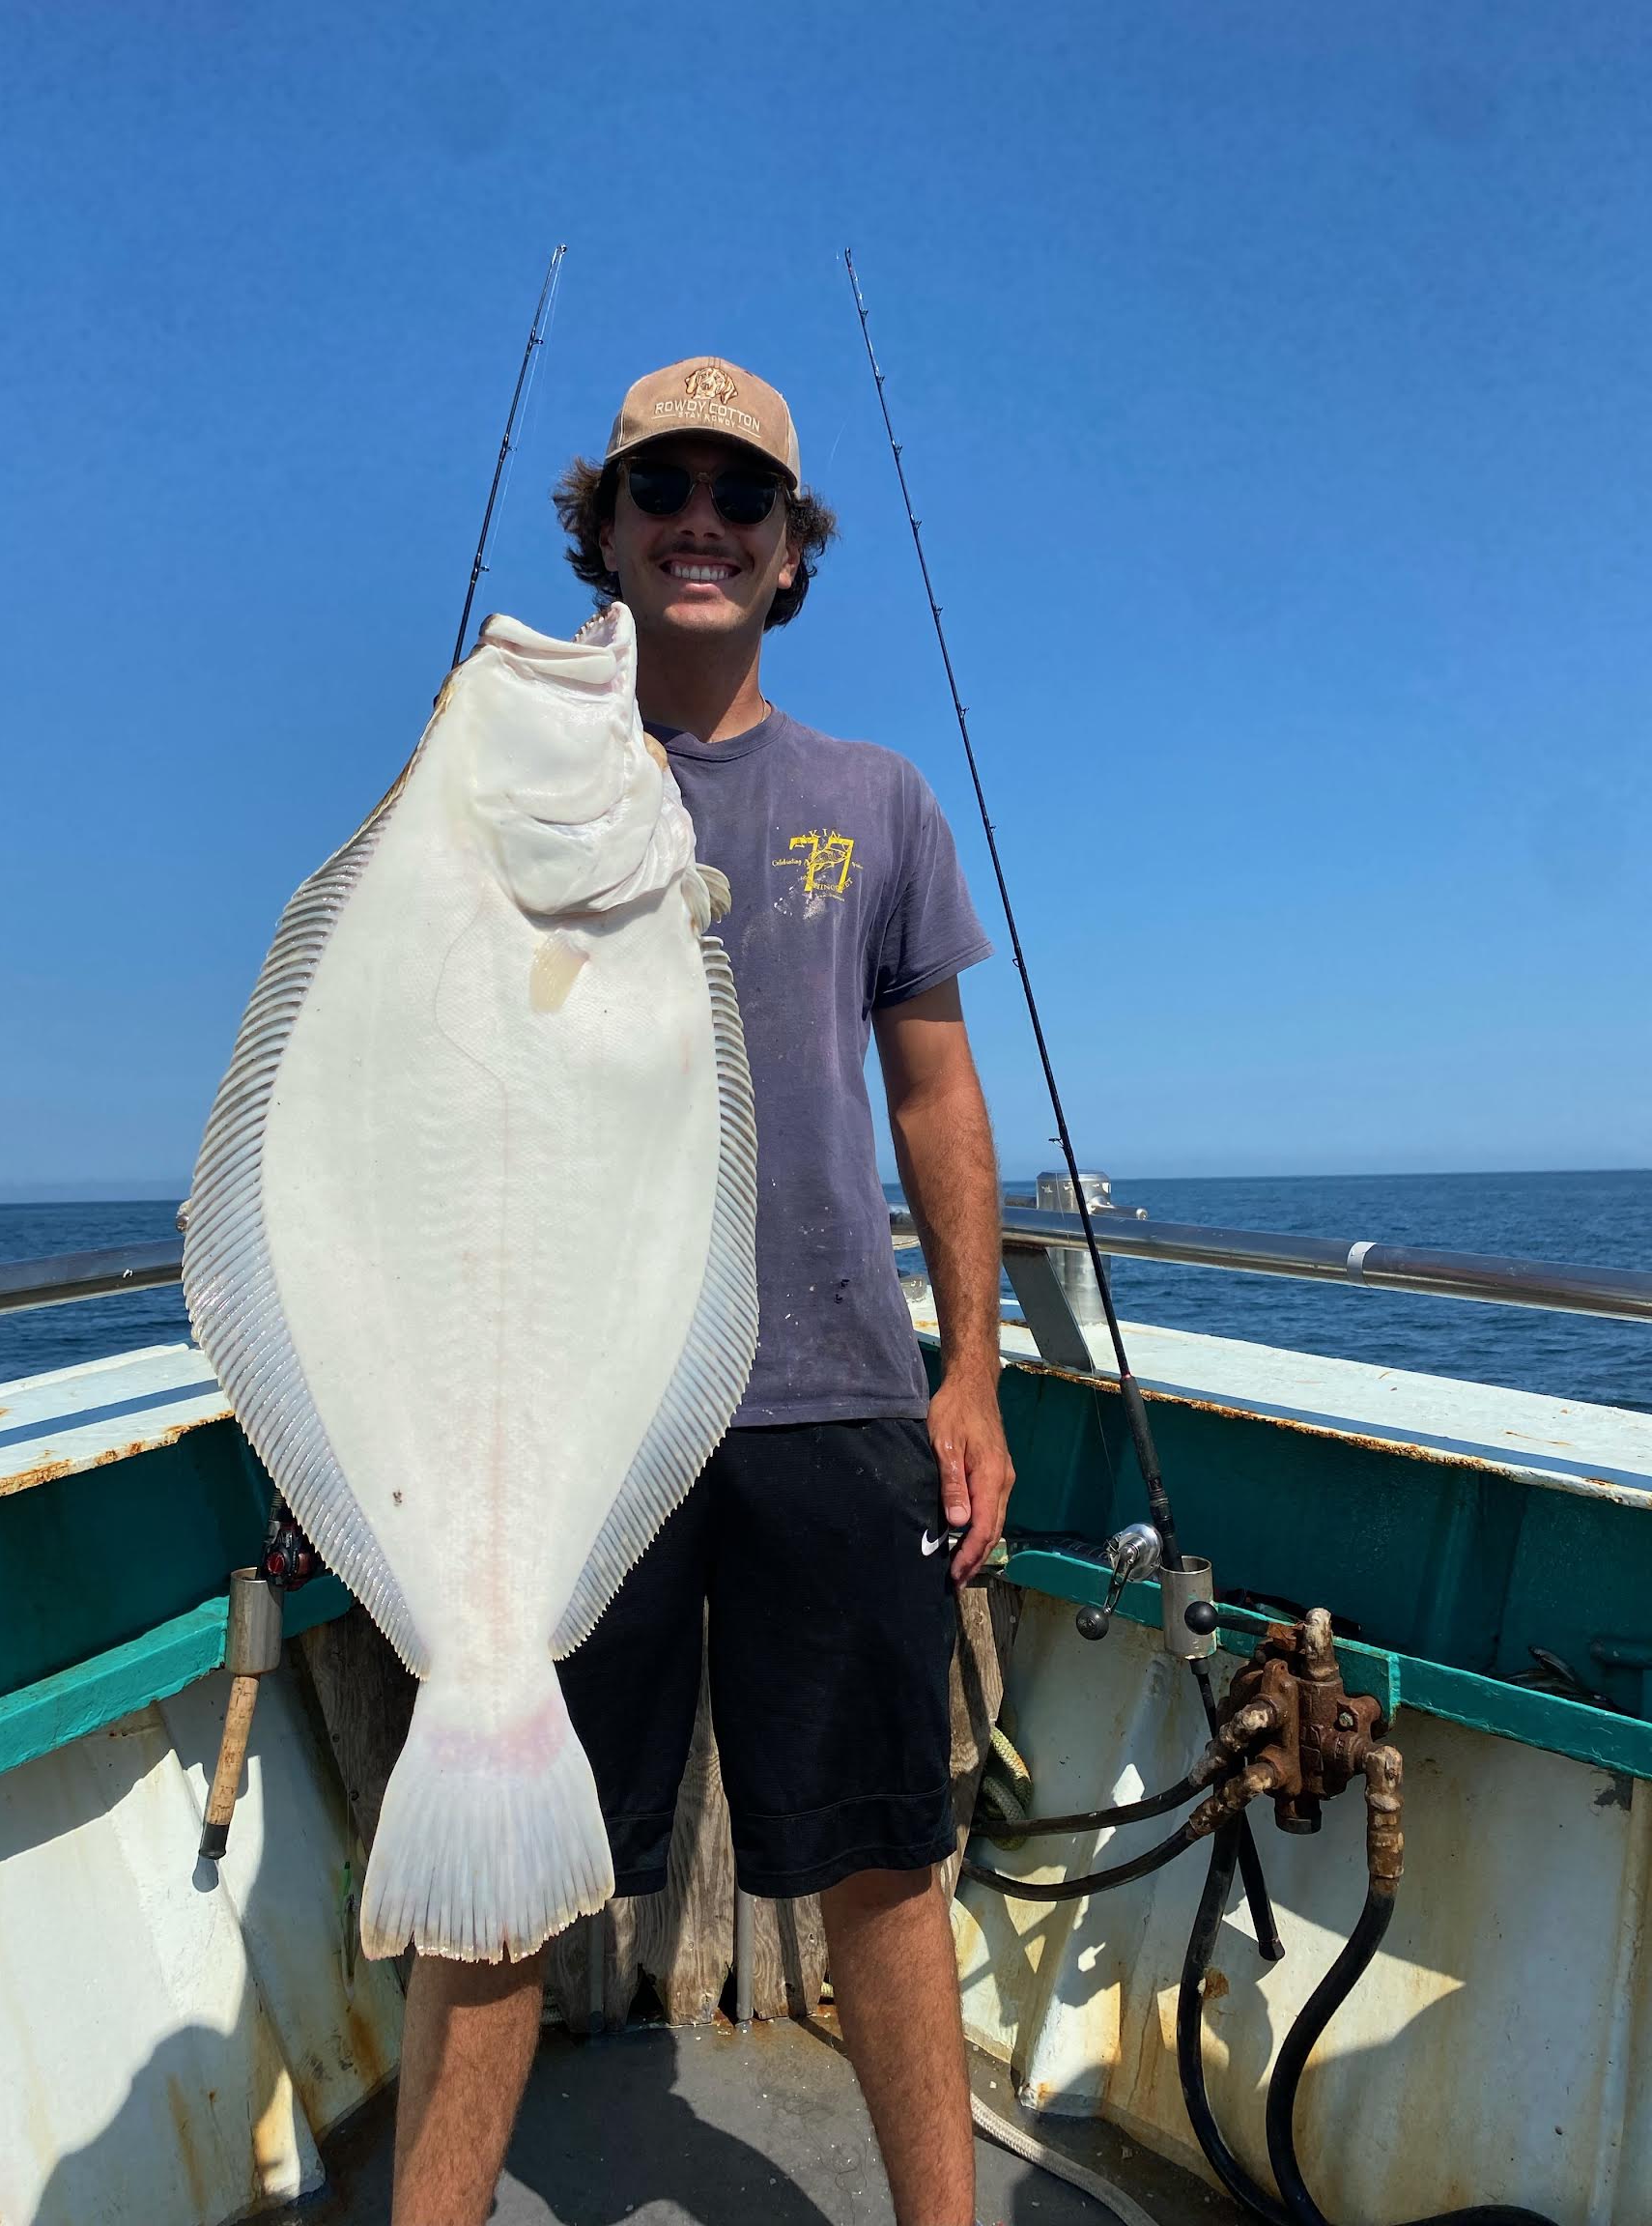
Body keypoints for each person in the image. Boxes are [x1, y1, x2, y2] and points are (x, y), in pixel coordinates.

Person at [392, 357, 1014, 2226]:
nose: (701, 523)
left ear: (790, 551)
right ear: (603, 528)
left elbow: (934, 1089)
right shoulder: (498, 767)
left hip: (832, 1392)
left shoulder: (875, 799)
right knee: (504, 1867)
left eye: (742, 499)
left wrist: (969, 1369)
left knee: (889, 1856)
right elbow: (410, 1079)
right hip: (574, 1418)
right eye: (659, 487)